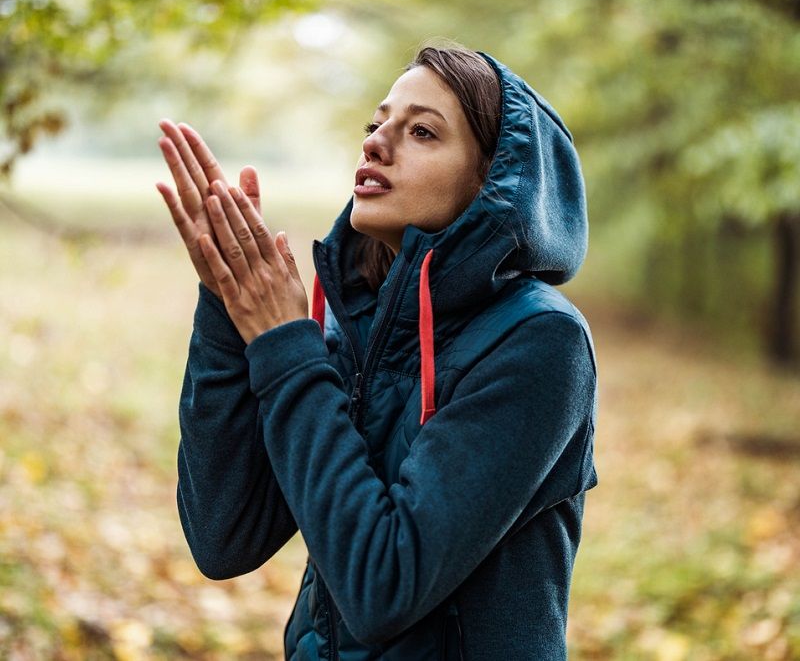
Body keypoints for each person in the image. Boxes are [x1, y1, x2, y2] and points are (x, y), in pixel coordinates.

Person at [156, 42, 599, 660]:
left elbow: (381, 587)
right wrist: (232, 306)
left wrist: (286, 349)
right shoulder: (356, 322)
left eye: (422, 131)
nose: (375, 143)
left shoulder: (539, 343)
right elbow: (224, 535)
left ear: (493, 180)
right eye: (376, 124)